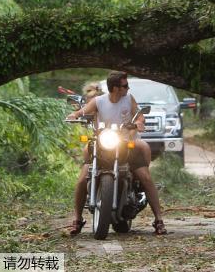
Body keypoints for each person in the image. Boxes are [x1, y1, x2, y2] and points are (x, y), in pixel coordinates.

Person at [66, 71, 167, 235]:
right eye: (125, 85)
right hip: (103, 144)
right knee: (82, 178)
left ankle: (159, 220)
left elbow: (139, 116)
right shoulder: (99, 101)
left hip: (126, 145)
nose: (128, 88)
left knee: (146, 178)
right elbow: (82, 112)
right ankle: (77, 219)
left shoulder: (129, 99)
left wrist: (139, 122)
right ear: (115, 88)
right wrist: (74, 115)